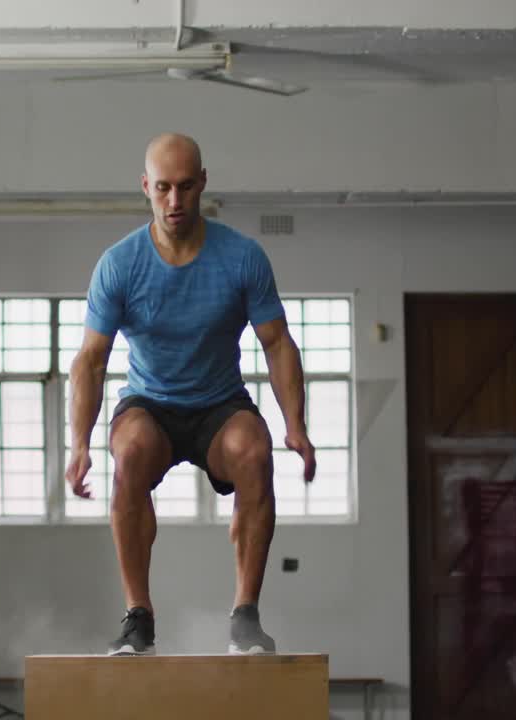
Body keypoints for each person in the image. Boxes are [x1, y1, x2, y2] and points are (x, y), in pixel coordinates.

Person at [65, 133, 316, 657]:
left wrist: (296, 425)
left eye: (184, 187)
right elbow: (90, 360)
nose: (174, 202)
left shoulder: (242, 257)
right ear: (145, 188)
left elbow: (277, 341)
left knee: (254, 451)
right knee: (129, 453)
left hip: (219, 405)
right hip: (149, 405)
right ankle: (139, 621)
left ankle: (245, 618)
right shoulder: (120, 264)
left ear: (203, 182)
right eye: (162, 189)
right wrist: (80, 444)